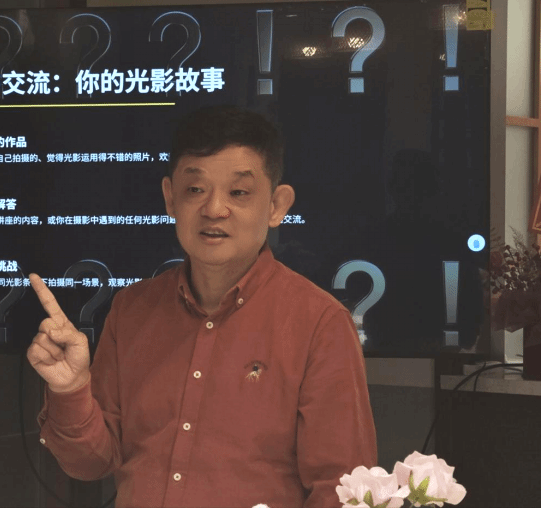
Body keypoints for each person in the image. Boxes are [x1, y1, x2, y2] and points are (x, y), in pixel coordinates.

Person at [27, 105, 377, 508]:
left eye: (239, 192)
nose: (213, 209)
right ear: (170, 198)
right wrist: (70, 389)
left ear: (277, 206)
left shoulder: (320, 323)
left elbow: (341, 490)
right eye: (195, 189)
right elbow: (91, 463)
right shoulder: (132, 309)